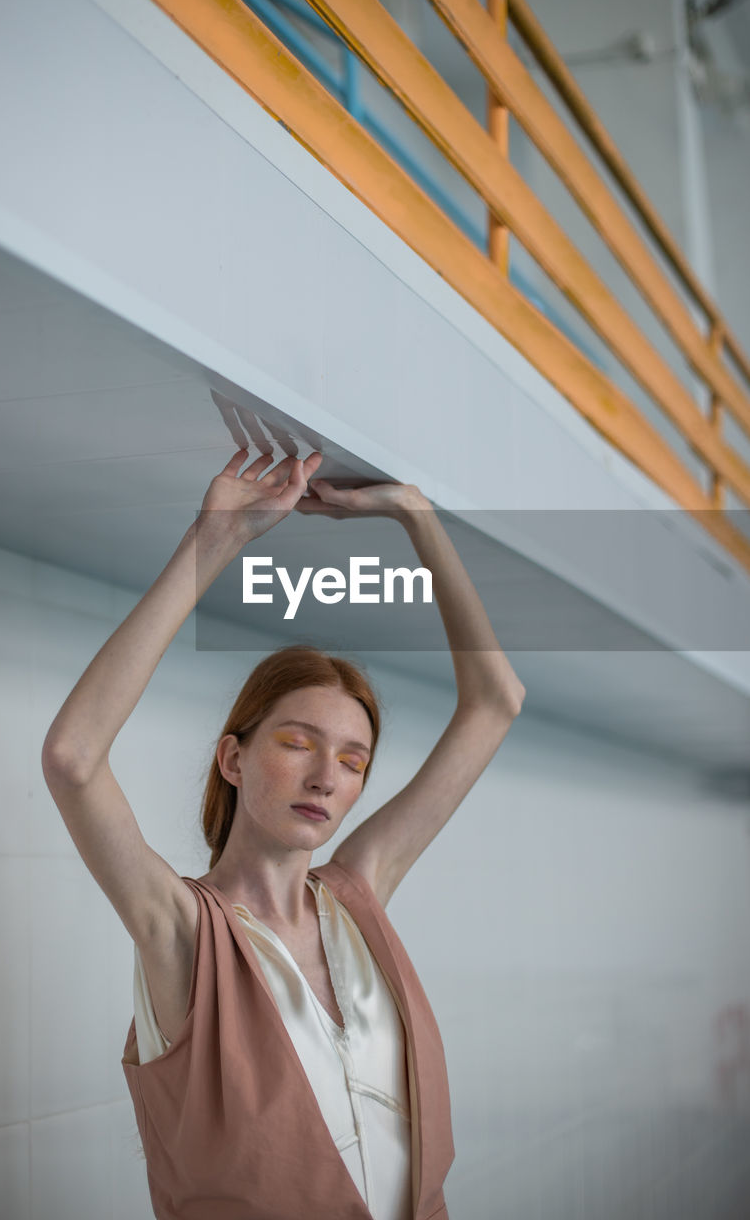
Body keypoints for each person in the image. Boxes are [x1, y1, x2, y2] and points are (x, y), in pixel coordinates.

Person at [41, 448, 525, 1220]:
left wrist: (417, 518)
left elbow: (494, 701)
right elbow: (72, 759)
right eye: (298, 743)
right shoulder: (184, 934)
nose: (326, 777)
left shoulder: (357, 894)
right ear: (234, 757)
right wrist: (213, 542)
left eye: (353, 760)